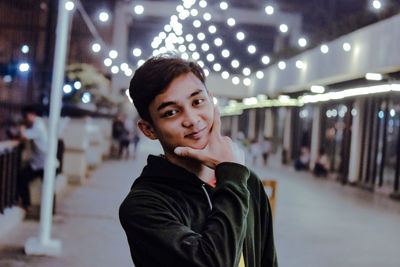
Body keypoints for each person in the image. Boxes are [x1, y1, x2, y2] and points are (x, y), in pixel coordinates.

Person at [119, 55, 278, 267]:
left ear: (211, 101)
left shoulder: (247, 183)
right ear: (148, 130)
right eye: (171, 112)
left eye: (197, 102)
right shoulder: (144, 206)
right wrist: (231, 176)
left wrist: (232, 176)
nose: (192, 119)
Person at [17, 106, 48, 208]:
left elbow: (24, 136)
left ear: (31, 115)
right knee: (47, 187)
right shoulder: (38, 123)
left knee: (22, 178)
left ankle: (27, 204)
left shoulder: (37, 126)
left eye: (26, 117)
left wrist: (21, 129)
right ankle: (28, 204)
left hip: (42, 163)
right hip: (41, 162)